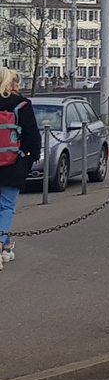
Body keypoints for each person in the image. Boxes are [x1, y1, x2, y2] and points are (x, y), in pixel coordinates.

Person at [0, 67, 42, 271]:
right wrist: (31, 157)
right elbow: (33, 136)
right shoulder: (22, 104)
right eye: (15, 82)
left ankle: (6, 247)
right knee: (7, 207)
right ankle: (0, 246)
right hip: (13, 163)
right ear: (9, 83)